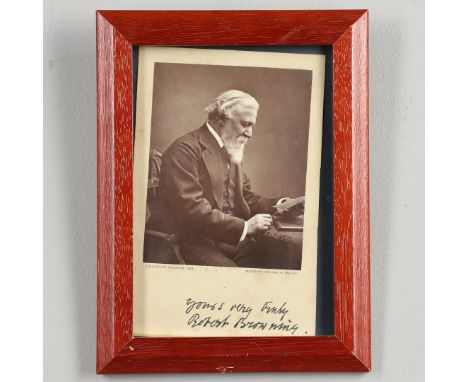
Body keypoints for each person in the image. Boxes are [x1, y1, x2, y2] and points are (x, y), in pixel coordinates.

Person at [145, 89, 290, 267]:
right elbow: (191, 211)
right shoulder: (185, 149)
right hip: (184, 241)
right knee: (234, 280)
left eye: (252, 125)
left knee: (277, 254)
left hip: (220, 239)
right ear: (220, 118)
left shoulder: (230, 147)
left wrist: (284, 205)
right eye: (245, 124)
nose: (250, 133)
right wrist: (245, 227)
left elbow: (245, 197)